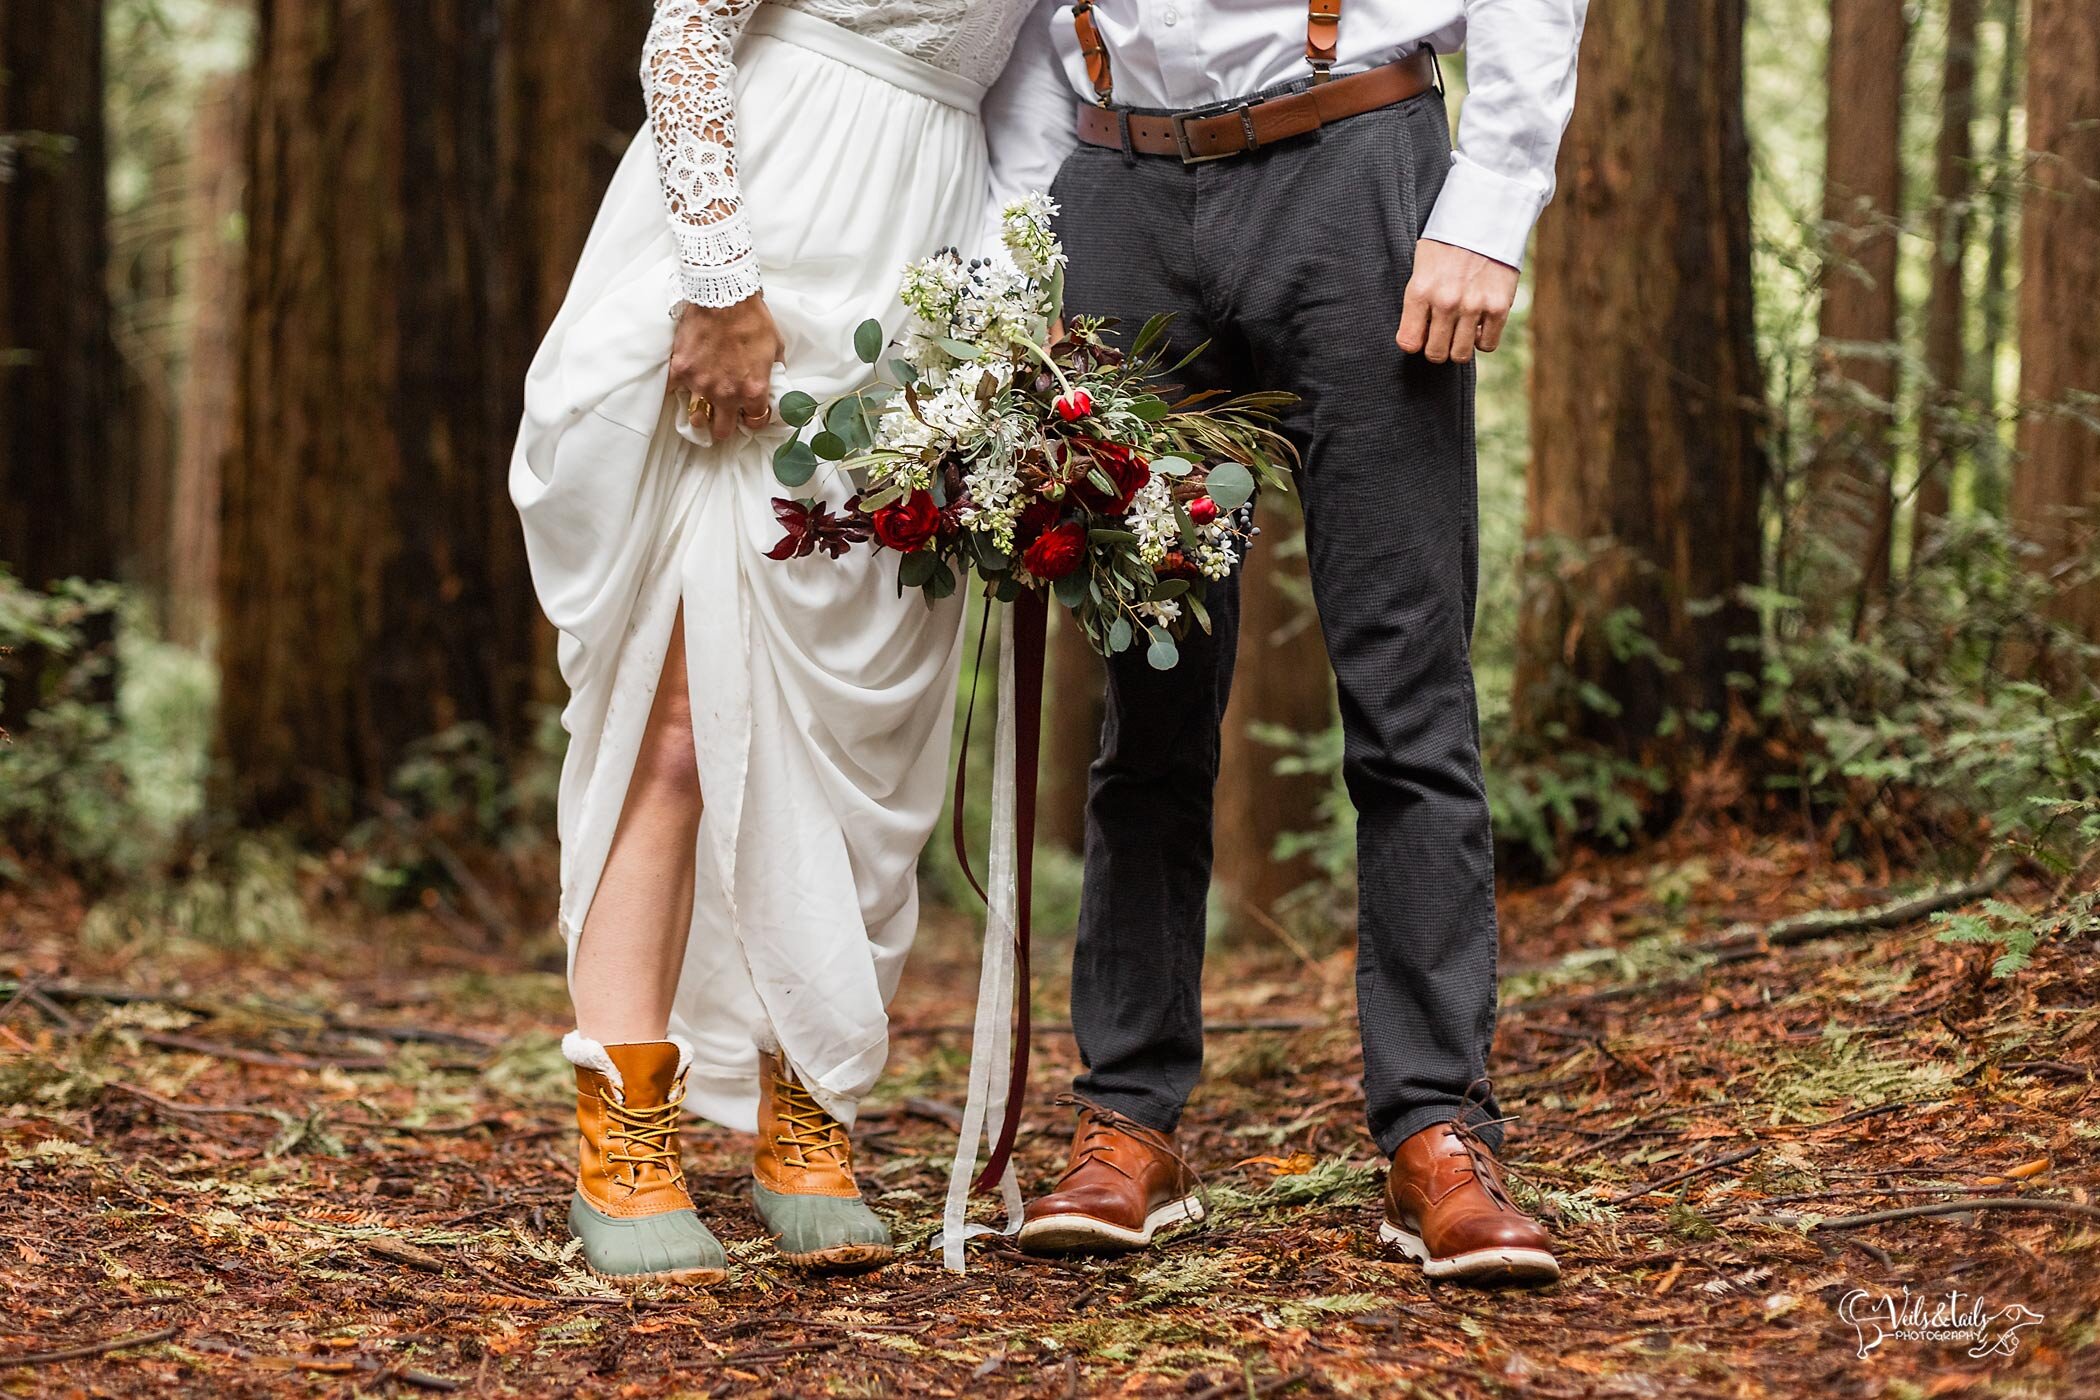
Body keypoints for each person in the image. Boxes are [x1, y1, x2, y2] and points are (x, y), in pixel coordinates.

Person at [981, 0, 1587, 1286]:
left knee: (1404, 678)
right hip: (1116, 197)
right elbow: (1031, 27)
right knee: (1146, 695)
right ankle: (1127, 1118)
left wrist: (1491, 199)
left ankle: (1438, 1129)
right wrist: (1019, 252)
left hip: (1354, 174)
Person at [510, 0, 1039, 1283]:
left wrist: (1004, 331)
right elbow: (686, 32)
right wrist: (721, 281)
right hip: (764, 225)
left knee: (868, 721)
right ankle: (622, 1126)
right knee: (682, 719)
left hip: (926, 278)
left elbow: (1039, 105)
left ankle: (813, 1102)